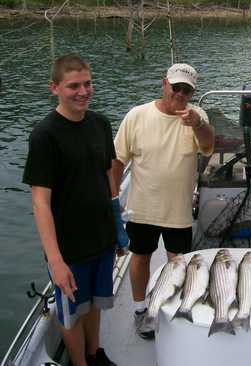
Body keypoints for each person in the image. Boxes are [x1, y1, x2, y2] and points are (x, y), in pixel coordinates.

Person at [22, 54, 127, 366]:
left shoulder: (100, 124)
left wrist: (117, 229)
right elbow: (40, 202)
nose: (83, 91)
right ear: (54, 88)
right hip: (69, 246)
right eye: (73, 86)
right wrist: (55, 260)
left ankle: (95, 354)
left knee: (96, 303)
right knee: (70, 314)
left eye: (87, 83)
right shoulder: (45, 135)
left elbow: (109, 177)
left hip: (102, 238)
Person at [113, 63, 214, 339]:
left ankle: (173, 309)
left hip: (178, 211)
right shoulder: (137, 116)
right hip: (142, 208)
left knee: (178, 263)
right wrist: (113, 201)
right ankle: (139, 308)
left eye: (186, 90)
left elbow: (208, 145)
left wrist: (199, 124)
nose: (180, 94)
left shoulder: (198, 115)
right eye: (176, 87)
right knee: (140, 257)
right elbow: (118, 160)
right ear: (164, 84)